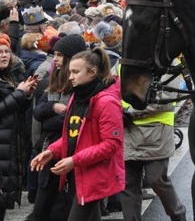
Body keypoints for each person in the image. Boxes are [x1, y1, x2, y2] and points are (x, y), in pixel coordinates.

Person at [30, 47, 125, 220]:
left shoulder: (106, 101)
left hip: (93, 175)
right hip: (78, 173)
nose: (70, 77)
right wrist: (52, 151)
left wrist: (74, 160)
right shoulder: (78, 96)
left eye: (75, 72)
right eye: (70, 72)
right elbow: (71, 135)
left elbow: (112, 144)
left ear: (93, 72)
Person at [31, 34, 88, 221]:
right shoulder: (51, 80)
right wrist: (53, 107)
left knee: (71, 207)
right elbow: (38, 112)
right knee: (42, 205)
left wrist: (51, 119)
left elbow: (74, 120)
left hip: (73, 152)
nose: (54, 59)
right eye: (54, 54)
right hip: (50, 148)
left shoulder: (81, 85)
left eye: (59, 55)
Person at [120, 67, 186, 221]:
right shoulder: (125, 62)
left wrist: (129, 111)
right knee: (127, 185)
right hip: (127, 131)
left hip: (156, 135)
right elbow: (111, 88)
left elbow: (165, 99)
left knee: (156, 179)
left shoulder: (169, 62)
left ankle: (178, 215)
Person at [0, 33, 38, 220]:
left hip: (9, 148)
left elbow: (15, 110)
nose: (4, 55)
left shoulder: (10, 76)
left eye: (6, 51)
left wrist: (26, 94)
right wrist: (18, 94)